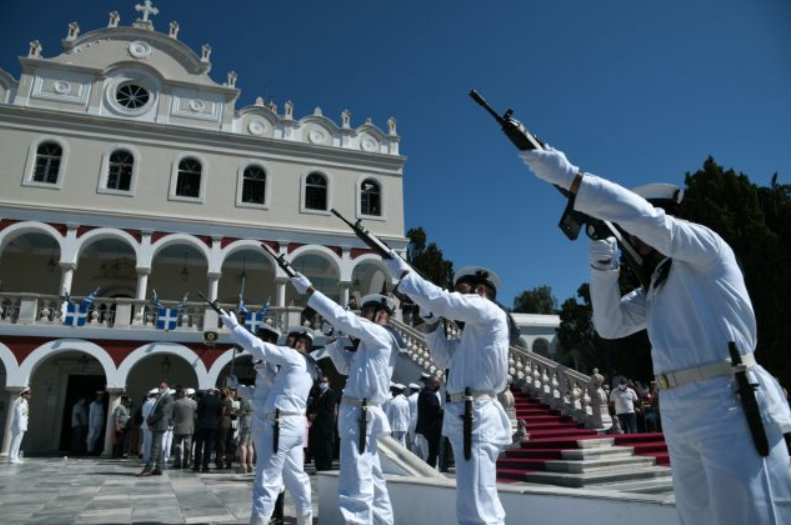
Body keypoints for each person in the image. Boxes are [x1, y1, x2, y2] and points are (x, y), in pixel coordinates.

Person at [520, 146, 791, 525]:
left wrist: (571, 178)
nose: (636, 238)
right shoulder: (655, 287)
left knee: (751, 516)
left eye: (636, 230)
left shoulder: (704, 248)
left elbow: (650, 222)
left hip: (728, 399)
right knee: (696, 518)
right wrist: (602, 266)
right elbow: (609, 325)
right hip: (679, 410)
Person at [383, 259, 512, 525]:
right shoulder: (471, 337)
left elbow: (442, 301)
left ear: (481, 292)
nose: (457, 297)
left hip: (474, 413)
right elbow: (442, 358)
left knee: (478, 500)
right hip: (464, 413)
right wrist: (430, 323)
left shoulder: (489, 312)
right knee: (471, 497)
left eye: (462, 291)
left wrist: (403, 272)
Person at [291, 272, 399, 525]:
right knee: (372, 479)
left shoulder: (379, 335)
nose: (362, 317)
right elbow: (345, 367)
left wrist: (311, 292)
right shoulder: (370, 344)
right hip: (361, 414)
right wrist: (333, 338)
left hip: (360, 415)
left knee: (354, 484)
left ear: (380, 315)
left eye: (366, 313)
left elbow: (343, 317)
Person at [220, 313, 314, 525]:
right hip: (293, 424)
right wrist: (243, 385)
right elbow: (274, 386)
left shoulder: (292, 357)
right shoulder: (309, 365)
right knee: (297, 477)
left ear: (299, 342)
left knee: (266, 481)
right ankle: (305, 520)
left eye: (289, 341)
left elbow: (258, 346)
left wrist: (235, 327)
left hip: (280, 424)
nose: (285, 344)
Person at [232, 323, 286, 524]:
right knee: (264, 468)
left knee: (269, 468)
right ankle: (271, 512)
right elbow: (258, 393)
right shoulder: (262, 360)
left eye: (260, 337)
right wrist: (238, 388)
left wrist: (261, 367)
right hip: (258, 415)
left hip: (268, 417)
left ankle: (275, 514)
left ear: (268, 340)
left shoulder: (272, 360)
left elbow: (277, 385)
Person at [138, 383, 174, 476]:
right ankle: (158, 468)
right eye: (160, 387)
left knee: (155, 446)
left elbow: (162, 412)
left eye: (162, 387)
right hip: (156, 423)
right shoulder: (161, 397)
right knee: (159, 447)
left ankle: (148, 468)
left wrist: (151, 419)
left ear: (167, 388)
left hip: (160, 424)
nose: (160, 388)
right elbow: (155, 409)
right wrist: (150, 418)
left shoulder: (168, 397)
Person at [307, 374, 337, 471]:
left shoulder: (331, 394)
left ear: (328, 383)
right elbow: (311, 406)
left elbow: (328, 408)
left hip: (326, 425)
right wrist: (310, 414)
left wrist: (316, 415)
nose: (322, 384)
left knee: (326, 446)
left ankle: (326, 467)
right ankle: (318, 466)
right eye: (321, 382)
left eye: (324, 382)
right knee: (317, 446)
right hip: (316, 425)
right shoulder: (317, 394)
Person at [415, 375, 444, 467]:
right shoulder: (429, 395)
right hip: (430, 429)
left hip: (428, 428)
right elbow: (435, 410)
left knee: (432, 454)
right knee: (431, 454)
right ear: (431, 384)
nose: (438, 387)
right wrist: (447, 413)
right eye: (436, 384)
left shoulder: (426, 393)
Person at [194, 387, 223, 473]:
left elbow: (198, 411)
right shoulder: (218, 401)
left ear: (207, 392)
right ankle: (205, 466)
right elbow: (219, 414)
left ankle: (197, 465)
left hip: (202, 425)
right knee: (208, 446)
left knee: (199, 446)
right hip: (212, 425)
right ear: (214, 393)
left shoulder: (202, 399)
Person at [171, 386, 198, 469]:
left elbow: (172, 416)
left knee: (177, 445)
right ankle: (186, 462)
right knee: (188, 446)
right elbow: (196, 415)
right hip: (189, 427)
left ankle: (177, 462)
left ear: (180, 394)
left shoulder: (176, 403)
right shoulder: (194, 403)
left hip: (178, 426)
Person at [9, 387, 32, 464]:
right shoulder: (20, 403)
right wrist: (19, 426)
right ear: (24, 394)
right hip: (18, 426)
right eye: (29, 394)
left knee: (18, 442)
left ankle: (15, 456)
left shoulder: (24, 402)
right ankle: (12, 457)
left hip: (22, 426)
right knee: (15, 442)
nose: (30, 395)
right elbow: (19, 416)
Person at [139, 389, 157, 464]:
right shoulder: (154, 403)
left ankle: (145, 457)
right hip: (150, 424)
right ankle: (149, 458)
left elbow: (143, 415)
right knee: (150, 443)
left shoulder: (145, 403)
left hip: (144, 424)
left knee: (146, 442)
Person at [406, 383, 420, 453]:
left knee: (412, 442)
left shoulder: (410, 399)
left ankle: (414, 455)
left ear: (412, 390)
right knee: (419, 442)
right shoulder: (420, 397)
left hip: (411, 422)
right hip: (419, 422)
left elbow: (407, 412)